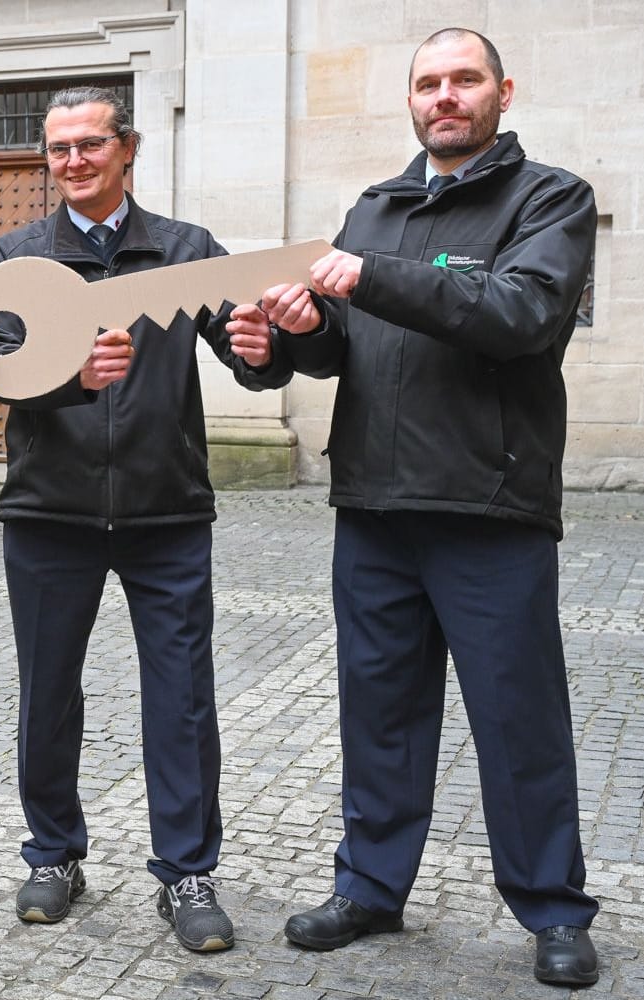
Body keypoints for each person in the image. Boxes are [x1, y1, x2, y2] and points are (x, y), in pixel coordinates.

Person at [249, 28, 602, 987]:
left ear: (501, 90)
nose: (444, 97)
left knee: (516, 718)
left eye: (463, 81)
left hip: (488, 505)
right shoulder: (376, 205)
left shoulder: (549, 199)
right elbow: (341, 347)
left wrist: (364, 278)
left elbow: (518, 315)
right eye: (427, 84)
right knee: (380, 716)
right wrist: (287, 335)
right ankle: (370, 886)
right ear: (409, 101)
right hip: (372, 503)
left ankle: (553, 909)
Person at [0, 86, 289, 953]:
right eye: (57, 149)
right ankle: (51, 855)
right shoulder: (17, 255)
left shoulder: (185, 251)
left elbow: (250, 350)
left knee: (183, 700)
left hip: (165, 514)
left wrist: (268, 352)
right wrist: (71, 376)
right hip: (49, 512)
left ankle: (187, 872)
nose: (71, 161)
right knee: (47, 694)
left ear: (126, 149)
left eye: (87, 144)